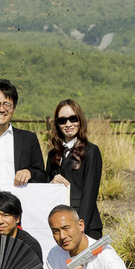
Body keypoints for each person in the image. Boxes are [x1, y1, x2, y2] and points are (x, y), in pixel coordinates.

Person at [47, 99, 104, 238]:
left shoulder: (91, 151)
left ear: (80, 120)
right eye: (62, 120)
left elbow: (90, 194)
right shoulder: (52, 154)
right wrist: (51, 183)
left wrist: (79, 226)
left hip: (85, 225)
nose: (68, 124)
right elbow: (46, 189)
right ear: (57, 124)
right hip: (60, 226)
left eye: (73, 119)